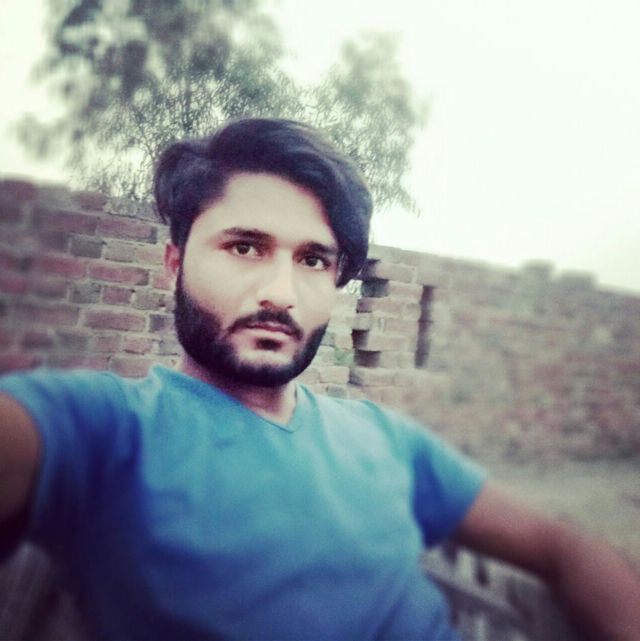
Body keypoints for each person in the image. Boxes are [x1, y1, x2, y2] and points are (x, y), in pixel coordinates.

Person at [0, 117, 638, 641]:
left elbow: (560, 545)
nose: (281, 292)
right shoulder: (107, 430)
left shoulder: (384, 437)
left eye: (312, 260)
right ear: (175, 262)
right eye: (245, 247)